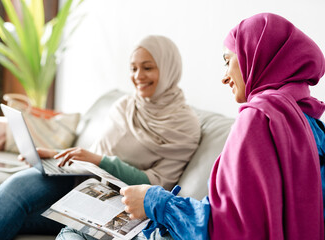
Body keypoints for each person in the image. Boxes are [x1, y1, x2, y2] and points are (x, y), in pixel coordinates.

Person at [0, 35, 201, 240]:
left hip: (118, 202)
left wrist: (100, 161)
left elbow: (157, 186)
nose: (138, 76)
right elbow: (99, 151)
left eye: (148, 68)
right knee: (15, 186)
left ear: (169, 67)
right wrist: (59, 156)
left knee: (9, 215)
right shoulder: (125, 105)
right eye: (133, 68)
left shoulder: (184, 125)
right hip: (82, 178)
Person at [119, 12, 325, 240]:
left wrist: (155, 202)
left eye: (228, 61)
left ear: (255, 57)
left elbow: (229, 228)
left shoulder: (260, 117)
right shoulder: (311, 124)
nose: (225, 77)